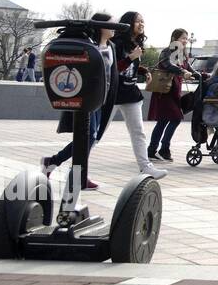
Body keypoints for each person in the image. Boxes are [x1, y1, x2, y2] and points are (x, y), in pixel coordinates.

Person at [42, 12, 118, 190]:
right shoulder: (87, 44)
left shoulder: (111, 46)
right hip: (88, 96)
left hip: (103, 98)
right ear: (101, 26)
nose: (115, 27)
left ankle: (65, 168)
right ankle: (64, 168)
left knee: (91, 136)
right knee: (88, 136)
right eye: (112, 24)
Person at [111, 12, 167, 179]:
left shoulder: (135, 43)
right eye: (138, 21)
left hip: (131, 93)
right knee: (95, 135)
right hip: (113, 93)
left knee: (138, 131)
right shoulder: (116, 43)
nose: (142, 24)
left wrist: (142, 70)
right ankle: (73, 165)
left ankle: (146, 166)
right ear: (129, 23)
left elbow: (131, 65)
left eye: (143, 21)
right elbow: (113, 69)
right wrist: (131, 58)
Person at [147, 28, 197, 162]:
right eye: (183, 38)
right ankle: (162, 149)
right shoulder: (167, 51)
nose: (185, 41)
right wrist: (182, 72)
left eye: (186, 39)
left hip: (174, 91)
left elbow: (189, 68)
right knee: (174, 118)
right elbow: (167, 64)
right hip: (165, 90)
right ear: (175, 38)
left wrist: (201, 75)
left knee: (163, 121)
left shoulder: (181, 53)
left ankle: (153, 150)